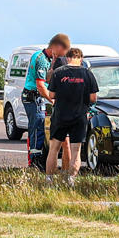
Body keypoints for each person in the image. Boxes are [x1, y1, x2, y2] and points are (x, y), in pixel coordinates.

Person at [46, 45, 98, 182]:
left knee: (54, 149)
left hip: (60, 115)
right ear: (81, 59)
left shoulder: (58, 72)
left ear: (67, 58)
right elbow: (93, 98)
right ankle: (71, 180)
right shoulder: (87, 74)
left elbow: (51, 95)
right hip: (79, 116)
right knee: (76, 150)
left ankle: (49, 179)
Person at [23, 32, 67, 172]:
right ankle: (35, 162)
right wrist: (52, 100)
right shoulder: (42, 60)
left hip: (34, 96)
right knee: (37, 129)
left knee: (36, 128)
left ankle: (34, 159)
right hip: (34, 97)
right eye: (61, 51)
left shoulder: (42, 56)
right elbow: (41, 86)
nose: (61, 55)